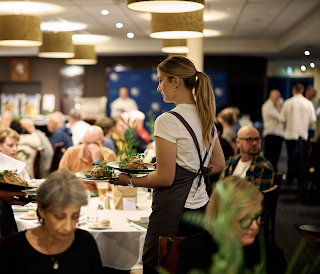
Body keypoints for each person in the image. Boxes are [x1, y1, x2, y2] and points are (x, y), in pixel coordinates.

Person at [109, 56, 225, 273]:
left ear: (175, 81)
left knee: (160, 265)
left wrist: (129, 180)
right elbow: (218, 164)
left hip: (174, 211)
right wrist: (194, 173)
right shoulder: (206, 116)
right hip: (201, 207)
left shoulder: (168, 120)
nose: (158, 87)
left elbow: (165, 178)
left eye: (161, 80)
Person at [0, 168, 104, 273]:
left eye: (75, 216)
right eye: (59, 217)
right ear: (41, 210)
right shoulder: (14, 247)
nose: (68, 227)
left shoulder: (85, 243)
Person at [176, 176, 286, 274]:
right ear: (221, 216)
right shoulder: (192, 252)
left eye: (258, 217)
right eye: (245, 219)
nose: (254, 226)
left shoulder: (272, 256)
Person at [59, 126, 116, 191]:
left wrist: (97, 162)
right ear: (83, 140)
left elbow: (104, 188)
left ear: (102, 143)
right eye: (88, 143)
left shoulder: (109, 155)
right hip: (73, 192)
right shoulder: (71, 152)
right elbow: (61, 179)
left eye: (95, 143)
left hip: (95, 195)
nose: (90, 147)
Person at [279, 83, 316, 183]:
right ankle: (300, 179)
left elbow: (282, 119)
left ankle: (290, 178)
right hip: (303, 134)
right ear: (303, 91)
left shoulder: (287, 102)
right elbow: (313, 119)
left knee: (290, 157)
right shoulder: (308, 103)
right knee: (302, 159)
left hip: (290, 134)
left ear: (293, 90)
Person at [220, 126, 274, 191]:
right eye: (249, 140)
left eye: (257, 139)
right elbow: (220, 189)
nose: (254, 143)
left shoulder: (263, 167)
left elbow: (256, 198)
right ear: (238, 142)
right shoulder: (231, 162)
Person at [261, 89, 284, 172]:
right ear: (271, 96)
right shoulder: (268, 106)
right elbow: (282, 118)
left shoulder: (276, 105)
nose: (279, 99)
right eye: (277, 97)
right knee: (269, 157)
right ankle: (266, 174)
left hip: (278, 134)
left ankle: (274, 174)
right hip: (271, 134)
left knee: (275, 157)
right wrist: (282, 107)